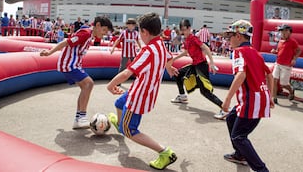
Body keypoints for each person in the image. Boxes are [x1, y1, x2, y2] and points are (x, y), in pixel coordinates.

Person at [107, 12, 178, 170]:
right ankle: (120, 123)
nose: (139, 35)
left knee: (129, 130)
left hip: (139, 95)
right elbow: (168, 57)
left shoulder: (148, 51)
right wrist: (169, 67)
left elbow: (127, 73)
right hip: (143, 90)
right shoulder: (160, 44)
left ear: (145, 32)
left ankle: (164, 152)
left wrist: (110, 85)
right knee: (119, 103)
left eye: (140, 32)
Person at [40, 16, 113, 129]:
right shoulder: (86, 33)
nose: (104, 34)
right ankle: (81, 118)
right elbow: (66, 42)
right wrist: (50, 52)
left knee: (85, 87)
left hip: (73, 64)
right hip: (69, 64)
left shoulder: (89, 35)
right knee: (89, 84)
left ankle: (79, 118)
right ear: (97, 25)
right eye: (104, 30)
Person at [221, 19, 274, 172]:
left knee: (239, 136)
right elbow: (269, 75)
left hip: (252, 100)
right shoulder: (255, 53)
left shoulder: (238, 52)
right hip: (259, 97)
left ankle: (261, 169)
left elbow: (241, 75)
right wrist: (269, 96)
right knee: (231, 118)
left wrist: (227, 99)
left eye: (230, 36)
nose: (228, 39)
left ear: (239, 36)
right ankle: (240, 154)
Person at [169, 19, 227, 120]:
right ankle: (182, 96)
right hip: (194, 65)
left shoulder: (193, 38)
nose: (184, 32)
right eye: (182, 30)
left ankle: (225, 108)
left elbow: (206, 48)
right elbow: (186, 51)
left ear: (189, 28)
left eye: (186, 29)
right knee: (177, 73)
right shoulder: (186, 40)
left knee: (205, 92)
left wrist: (212, 63)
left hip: (201, 66)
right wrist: (175, 58)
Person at [271, 24, 301, 104]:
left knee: (283, 84)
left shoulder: (293, 42)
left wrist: (294, 59)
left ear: (289, 33)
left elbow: (298, 51)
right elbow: (279, 51)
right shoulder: (280, 41)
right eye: (282, 32)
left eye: (285, 32)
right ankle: (274, 98)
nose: (283, 33)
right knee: (274, 79)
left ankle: (291, 90)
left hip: (286, 65)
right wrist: (275, 52)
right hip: (278, 63)